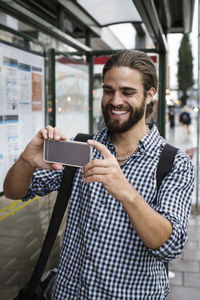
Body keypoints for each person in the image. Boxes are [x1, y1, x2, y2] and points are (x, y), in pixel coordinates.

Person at [3, 50, 194, 299]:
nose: (115, 101)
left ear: (150, 94)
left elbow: (170, 247)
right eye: (108, 91)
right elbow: (15, 191)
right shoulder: (82, 147)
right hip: (68, 294)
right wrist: (27, 161)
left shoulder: (173, 163)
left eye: (127, 92)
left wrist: (127, 192)